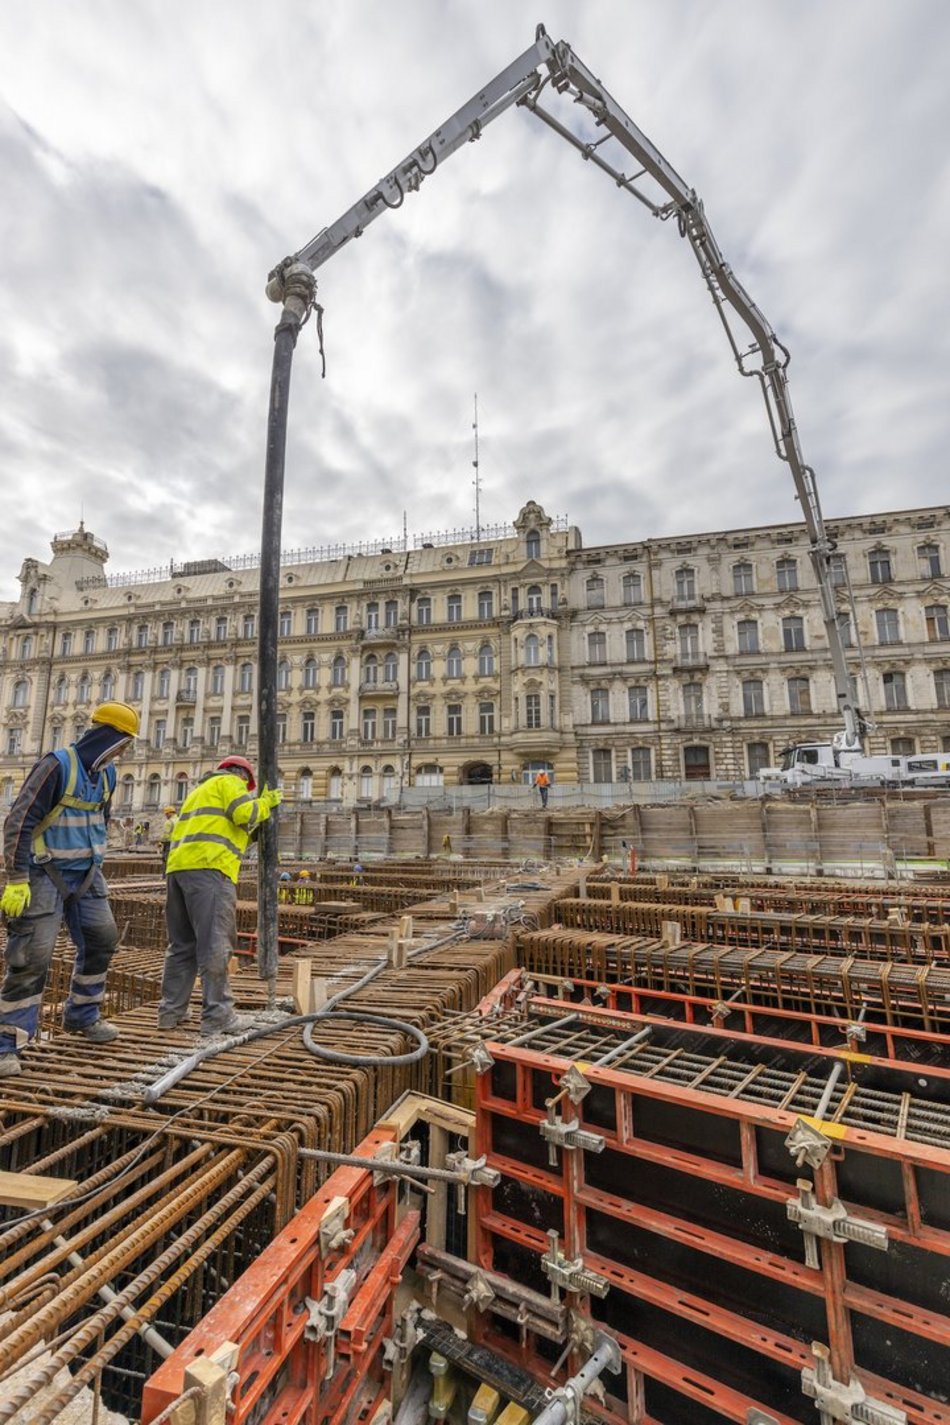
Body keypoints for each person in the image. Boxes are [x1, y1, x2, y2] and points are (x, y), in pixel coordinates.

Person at [0, 701, 140, 1078]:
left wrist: (95, 858)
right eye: (122, 744)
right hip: (43, 873)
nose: (123, 752)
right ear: (108, 737)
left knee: (101, 939)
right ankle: (7, 1043)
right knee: (32, 957)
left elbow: (99, 818)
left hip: (87, 875)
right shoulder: (56, 766)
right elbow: (18, 820)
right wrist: (15, 878)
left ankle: (82, 1015)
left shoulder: (107, 776)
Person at [157, 756, 282, 1036]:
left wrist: (253, 835)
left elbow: (224, 828)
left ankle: (170, 1012)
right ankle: (218, 1015)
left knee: (181, 946)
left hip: (179, 871)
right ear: (243, 777)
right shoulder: (231, 782)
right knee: (215, 943)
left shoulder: (198, 792)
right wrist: (265, 804)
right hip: (210, 871)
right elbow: (245, 814)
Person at [159, 806, 177, 876]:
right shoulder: (179, 820)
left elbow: (165, 834)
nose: (166, 815)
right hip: (178, 843)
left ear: (170, 813)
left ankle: (165, 875)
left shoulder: (169, 822)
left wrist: (161, 842)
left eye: (166, 814)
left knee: (166, 859)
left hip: (168, 843)